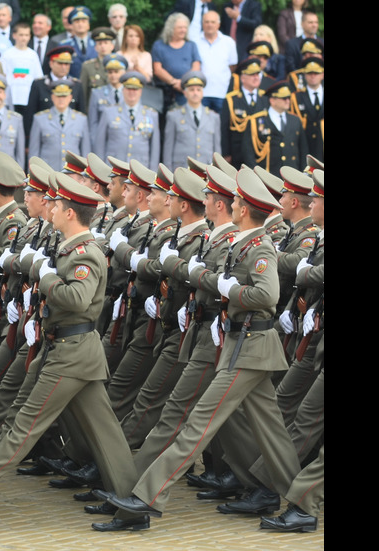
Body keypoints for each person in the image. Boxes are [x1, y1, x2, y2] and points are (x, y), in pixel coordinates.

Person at [0, 171, 148, 533]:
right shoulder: (69, 249)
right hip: (65, 348)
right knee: (105, 433)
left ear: (71, 213)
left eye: (57, 205)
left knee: (22, 426)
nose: (52, 209)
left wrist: (46, 278)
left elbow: (76, 299)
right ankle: (133, 506)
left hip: (71, 352)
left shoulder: (86, 253)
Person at [101, 168, 301, 531]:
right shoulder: (245, 242)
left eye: (235, 201)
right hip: (241, 343)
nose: (230, 205)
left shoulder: (259, 247)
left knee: (197, 424)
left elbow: (267, 295)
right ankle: (295, 498)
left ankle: (146, 496)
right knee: (271, 431)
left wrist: (228, 289)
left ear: (241, 209)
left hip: (250, 345)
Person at [94, 71, 160, 171]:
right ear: (123, 90)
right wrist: (100, 170)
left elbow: (155, 148)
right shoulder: (108, 112)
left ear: (141, 91)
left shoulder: (151, 114)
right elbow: (100, 144)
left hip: (140, 170)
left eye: (135, 89)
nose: (132, 92)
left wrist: (153, 173)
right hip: (114, 169)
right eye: (128, 88)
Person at [242, 81, 306, 175]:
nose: (288, 101)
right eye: (284, 98)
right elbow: (248, 151)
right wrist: (255, 174)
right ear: (272, 100)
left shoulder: (295, 120)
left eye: (288, 98)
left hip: (292, 176)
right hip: (268, 177)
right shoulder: (256, 121)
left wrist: (302, 174)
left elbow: (303, 149)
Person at [162, 71, 220, 168]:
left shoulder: (213, 117)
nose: (195, 93)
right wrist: (168, 173)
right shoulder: (173, 116)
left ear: (202, 93)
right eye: (191, 90)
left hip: (206, 171)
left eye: (198, 90)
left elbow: (217, 150)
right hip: (182, 171)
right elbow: (168, 148)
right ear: (185, 93)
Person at [28, 79, 90, 168]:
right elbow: (34, 152)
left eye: (64, 96)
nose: (61, 99)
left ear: (70, 97)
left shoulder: (81, 119)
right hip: (48, 174)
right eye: (58, 96)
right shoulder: (40, 119)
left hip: (73, 174)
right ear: (52, 97)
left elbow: (85, 151)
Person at [221, 57, 266, 166]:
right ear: (243, 78)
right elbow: (224, 128)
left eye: (257, 74)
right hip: (237, 155)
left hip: (260, 154)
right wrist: (226, 153)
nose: (256, 77)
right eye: (252, 75)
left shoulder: (265, 98)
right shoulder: (232, 99)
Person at [152, 12, 202, 107]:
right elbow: (157, 70)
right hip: (165, 93)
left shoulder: (191, 45)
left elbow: (196, 67)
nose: (183, 30)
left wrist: (184, 83)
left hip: (187, 92)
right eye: (180, 27)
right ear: (171, 28)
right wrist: (174, 82)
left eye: (185, 27)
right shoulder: (159, 45)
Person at [194, 9, 236, 112]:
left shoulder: (228, 42)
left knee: (221, 125)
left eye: (213, 22)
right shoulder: (194, 41)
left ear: (218, 24)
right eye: (207, 22)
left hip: (222, 92)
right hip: (200, 92)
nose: (209, 25)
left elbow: (233, 66)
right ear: (202, 24)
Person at [0, 22, 43, 120]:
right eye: (21, 35)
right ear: (14, 35)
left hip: (28, 97)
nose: (24, 38)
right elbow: (3, 75)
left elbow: (38, 77)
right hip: (12, 97)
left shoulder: (33, 55)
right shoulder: (7, 54)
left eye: (26, 35)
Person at [291, 59, 323, 161]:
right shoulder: (296, 97)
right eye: (309, 73)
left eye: (316, 73)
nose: (313, 76)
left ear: (322, 75)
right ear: (305, 75)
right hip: (305, 146)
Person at [79, 27, 117, 110]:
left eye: (106, 43)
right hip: (95, 111)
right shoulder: (87, 67)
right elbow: (83, 94)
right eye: (99, 43)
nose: (103, 46)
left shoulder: (120, 67)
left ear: (112, 46)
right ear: (95, 47)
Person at [87, 53, 127, 129]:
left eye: (116, 72)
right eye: (110, 72)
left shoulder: (130, 93)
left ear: (123, 73)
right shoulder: (97, 93)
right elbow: (93, 122)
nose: (113, 75)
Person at [61, 6, 96, 78]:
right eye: (77, 21)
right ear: (72, 25)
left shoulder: (97, 44)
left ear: (88, 25)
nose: (80, 24)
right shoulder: (64, 46)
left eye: (83, 21)